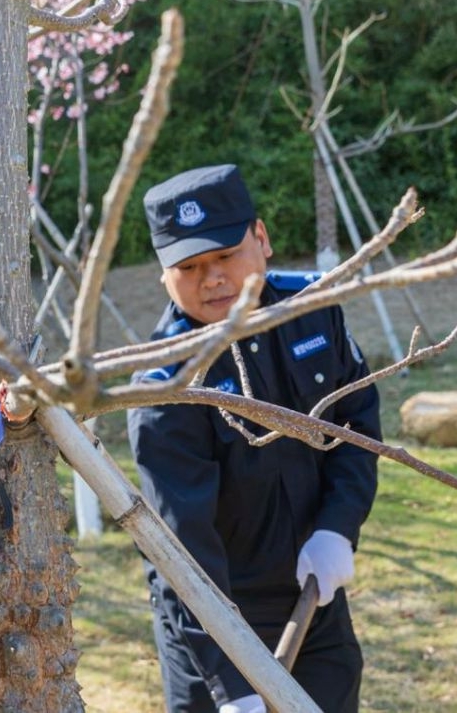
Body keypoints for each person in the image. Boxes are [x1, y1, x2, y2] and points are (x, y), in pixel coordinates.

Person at [127, 165, 380, 713]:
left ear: (261, 238)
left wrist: (338, 527)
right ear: (164, 275)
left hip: (315, 595)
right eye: (189, 267)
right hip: (213, 623)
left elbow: (356, 426)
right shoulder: (165, 382)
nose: (212, 278)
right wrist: (232, 687)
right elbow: (182, 552)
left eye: (225, 255)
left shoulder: (313, 309)